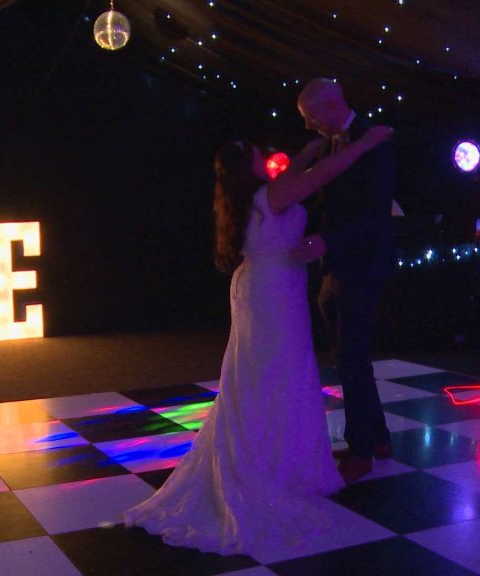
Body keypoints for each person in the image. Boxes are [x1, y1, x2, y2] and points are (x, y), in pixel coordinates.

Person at [122, 125, 393, 555]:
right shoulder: (270, 196)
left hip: (261, 288)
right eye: (255, 154)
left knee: (259, 377)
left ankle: (268, 454)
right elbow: (320, 178)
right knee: (276, 376)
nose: (263, 156)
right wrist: (362, 144)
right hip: (273, 294)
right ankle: (276, 464)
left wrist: (307, 152)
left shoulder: (248, 198)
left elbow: (298, 177)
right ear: (248, 166)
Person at [292, 79, 397, 482]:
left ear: (332, 105)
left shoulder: (375, 140)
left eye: (311, 116)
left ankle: (361, 449)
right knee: (350, 355)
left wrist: (328, 239)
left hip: (363, 263)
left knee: (350, 355)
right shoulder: (334, 144)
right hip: (339, 264)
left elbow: (375, 212)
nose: (308, 125)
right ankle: (378, 436)